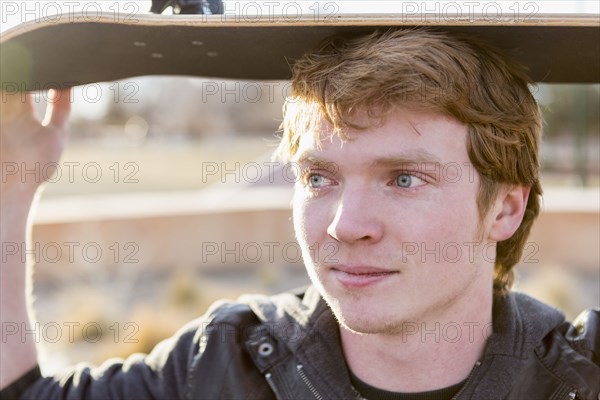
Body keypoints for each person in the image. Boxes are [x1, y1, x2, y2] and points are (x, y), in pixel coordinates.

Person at [1, 29, 598, 400]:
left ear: (505, 209)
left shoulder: (579, 376)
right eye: (319, 178)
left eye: (404, 178)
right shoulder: (223, 366)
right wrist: (12, 180)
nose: (345, 224)